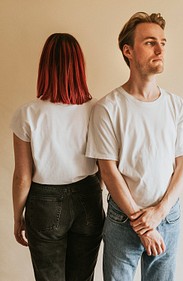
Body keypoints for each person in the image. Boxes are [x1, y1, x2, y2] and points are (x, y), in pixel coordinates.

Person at [85, 12, 183, 281]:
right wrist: (143, 225)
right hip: (123, 221)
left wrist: (159, 212)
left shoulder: (176, 106)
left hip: (168, 217)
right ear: (128, 50)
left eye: (163, 42)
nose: (160, 49)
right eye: (149, 42)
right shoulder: (107, 108)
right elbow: (108, 171)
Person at [10, 33, 104, 281]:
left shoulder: (27, 114)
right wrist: (96, 190)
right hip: (88, 197)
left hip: (44, 203)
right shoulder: (97, 110)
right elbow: (104, 165)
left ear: (44, 67)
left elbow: (22, 177)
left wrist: (18, 217)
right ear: (79, 66)